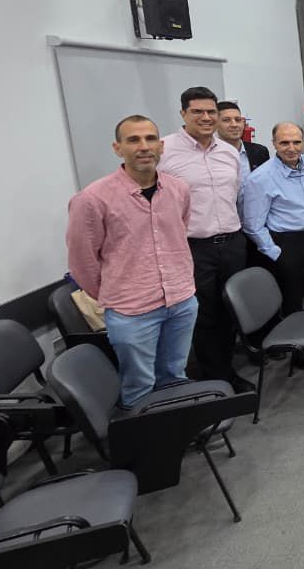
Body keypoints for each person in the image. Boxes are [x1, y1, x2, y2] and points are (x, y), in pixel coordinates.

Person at [67, 115, 196, 409]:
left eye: (150, 139)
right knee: (139, 384)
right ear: (117, 148)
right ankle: (144, 436)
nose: (144, 146)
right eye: (133, 140)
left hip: (181, 300)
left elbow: (180, 233)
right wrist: (118, 292)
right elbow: (82, 261)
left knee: (175, 376)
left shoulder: (179, 190)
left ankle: (175, 428)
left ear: (161, 146)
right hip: (131, 311)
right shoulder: (92, 198)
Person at [158, 87, 249, 390]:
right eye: (197, 111)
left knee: (232, 309)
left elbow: (235, 195)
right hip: (194, 247)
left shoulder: (229, 152)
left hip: (232, 242)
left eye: (211, 112)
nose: (206, 117)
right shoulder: (164, 151)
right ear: (183, 114)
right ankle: (216, 378)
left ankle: (226, 368)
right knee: (204, 314)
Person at [241, 122, 304, 316]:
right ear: (274, 143)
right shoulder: (260, 178)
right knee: (292, 296)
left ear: (303, 142)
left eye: (296, 142)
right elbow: (252, 225)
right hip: (288, 243)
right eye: (284, 143)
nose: (291, 148)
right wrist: (275, 252)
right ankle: (293, 334)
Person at [216, 100, 269, 176]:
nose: (234, 125)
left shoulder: (260, 152)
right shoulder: (209, 155)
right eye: (226, 120)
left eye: (238, 120)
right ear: (215, 124)